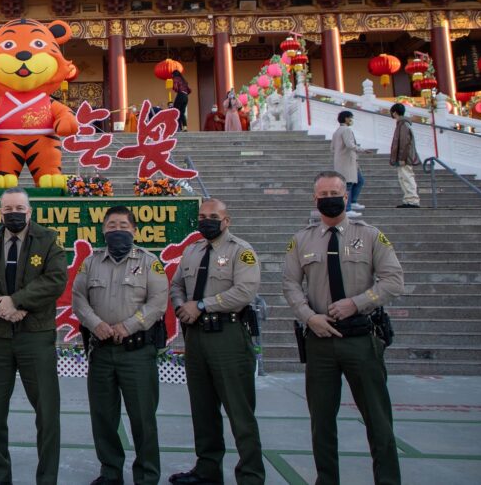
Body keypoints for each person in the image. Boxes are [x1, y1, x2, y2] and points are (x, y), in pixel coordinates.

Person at [283, 171, 405, 485]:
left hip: (361, 338)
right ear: (315, 199)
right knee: (321, 423)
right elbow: (291, 285)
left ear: (346, 196)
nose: (329, 199)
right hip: (320, 340)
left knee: (378, 420)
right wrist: (308, 316)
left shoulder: (370, 236)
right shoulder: (301, 240)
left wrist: (357, 302)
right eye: (323, 194)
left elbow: (393, 280)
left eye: (334, 193)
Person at [0, 187, 68, 485]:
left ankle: (47, 478)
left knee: (47, 412)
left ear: (29, 211)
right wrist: (2, 308)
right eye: (8, 209)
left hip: (35, 335)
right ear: (0, 213)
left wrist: (17, 301)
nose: (14, 214)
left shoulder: (48, 240)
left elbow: (56, 279)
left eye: (19, 209)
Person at [168, 199, 264, 485]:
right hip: (196, 337)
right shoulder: (192, 251)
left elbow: (245, 292)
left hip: (228, 335)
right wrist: (181, 306)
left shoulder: (241, 251)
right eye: (202, 216)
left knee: (239, 411)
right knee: (203, 409)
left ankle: (250, 475)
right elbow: (176, 285)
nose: (206, 221)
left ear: (226, 221)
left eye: (213, 216)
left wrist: (201, 305)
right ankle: (207, 470)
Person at [72, 205, 170, 485]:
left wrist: (128, 326)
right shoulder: (91, 262)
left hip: (136, 352)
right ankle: (110, 472)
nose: (117, 231)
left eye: (123, 226)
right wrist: (96, 324)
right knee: (103, 417)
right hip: (101, 351)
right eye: (111, 226)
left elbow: (158, 302)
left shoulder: (149, 262)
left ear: (134, 230)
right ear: (103, 230)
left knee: (143, 418)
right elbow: (78, 298)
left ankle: (147, 476)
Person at [331, 111, 370, 217]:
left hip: (344, 162)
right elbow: (350, 144)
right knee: (348, 185)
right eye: (350, 118)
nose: (351, 120)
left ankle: (353, 202)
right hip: (347, 161)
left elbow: (332, 148)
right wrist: (362, 149)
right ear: (346, 118)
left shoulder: (337, 131)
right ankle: (347, 209)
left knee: (359, 180)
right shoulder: (346, 130)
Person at [389, 103, 421, 209]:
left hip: (404, 158)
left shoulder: (403, 125)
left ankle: (412, 200)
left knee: (407, 177)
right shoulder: (403, 124)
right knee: (404, 178)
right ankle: (409, 200)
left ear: (394, 113)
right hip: (404, 157)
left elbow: (404, 143)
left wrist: (402, 158)